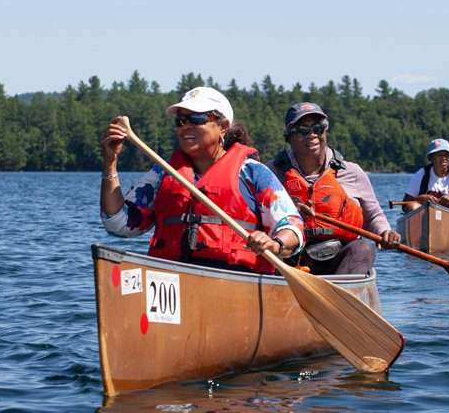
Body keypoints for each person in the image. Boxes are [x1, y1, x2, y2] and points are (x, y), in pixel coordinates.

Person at [100, 86, 304, 274]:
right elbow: (119, 223)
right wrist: (110, 162)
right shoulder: (163, 174)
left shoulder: (252, 173)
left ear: (223, 126)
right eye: (180, 120)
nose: (185, 126)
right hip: (173, 282)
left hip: (235, 280)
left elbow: (293, 227)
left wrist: (275, 243)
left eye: (196, 119)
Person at [267, 102, 401, 276]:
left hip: (340, 259)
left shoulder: (352, 172)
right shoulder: (271, 173)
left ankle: (341, 297)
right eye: (303, 130)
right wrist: (288, 207)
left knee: (364, 248)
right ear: (289, 135)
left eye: (318, 128)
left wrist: (385, 232)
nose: (312, 135)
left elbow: (373, 215)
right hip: (291, 259)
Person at [401, 138, 449, 214]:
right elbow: (405, 205)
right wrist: (420, 199)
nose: (444, 158)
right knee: (412, 206)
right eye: (439, 155)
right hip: (427, 215)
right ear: (431, 158)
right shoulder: (421, 174)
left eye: (446, 155)